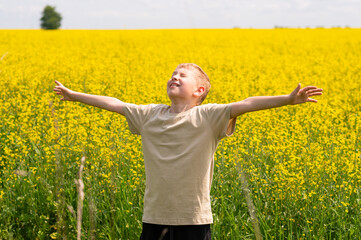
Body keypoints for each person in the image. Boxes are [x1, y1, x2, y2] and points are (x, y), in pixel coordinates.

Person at [53, 63, 323, 240]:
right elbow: (115, 104)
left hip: (193, 218)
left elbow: (246, 103)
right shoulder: (149, 115)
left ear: (200, 90)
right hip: (155, 215)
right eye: (173, 74)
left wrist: (287, 100)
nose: (174, 77)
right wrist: (75, 95)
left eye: (182, 76)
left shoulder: (208, 116)